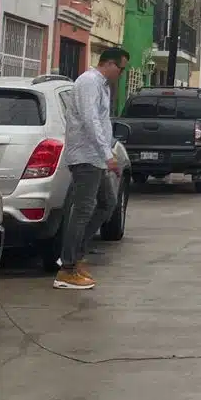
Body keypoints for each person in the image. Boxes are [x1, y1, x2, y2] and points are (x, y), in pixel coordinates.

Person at [54, 46, 128, 290]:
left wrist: (107, 153)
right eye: (121, 67)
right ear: (109, 63)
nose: (122, 73)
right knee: (83, 210)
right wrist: (107, 155)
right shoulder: (89, 82)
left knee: (107, 202)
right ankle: (67, 268)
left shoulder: (102, 86)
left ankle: (75, 254)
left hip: (96, 156)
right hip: (86, 156)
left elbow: (101, 121)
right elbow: (90, 119)